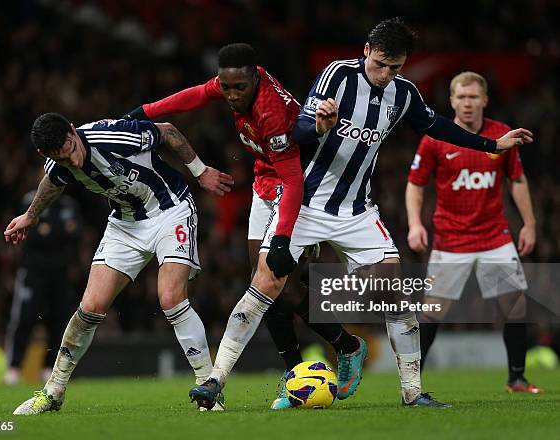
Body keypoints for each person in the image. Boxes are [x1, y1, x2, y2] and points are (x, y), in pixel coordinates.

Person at [189, 17, 533, 410]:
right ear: (367, 50)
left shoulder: (402, 93)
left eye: (395, 67)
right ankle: (215, 381)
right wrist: (318, 126)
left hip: (356, 211)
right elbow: (297, 132)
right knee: (266, 283)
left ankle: (412, 392)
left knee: (395, 294)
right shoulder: (337, 75)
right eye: (381, 64)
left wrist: (490, 143)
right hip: (306, 203)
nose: (386, 74)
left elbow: (435, 125)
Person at [123, 43, 364, 410]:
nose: (231, 95)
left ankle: (343, 349)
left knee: (271, 285)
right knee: (268, 286)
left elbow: (295, 179)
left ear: (255, 78)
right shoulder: (232, 82)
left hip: (299, 186)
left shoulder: (271, 113)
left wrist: (282, 238)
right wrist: (142, 114)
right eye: (226, 87)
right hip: (263, 182)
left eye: (239, 88)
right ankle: (305, 370)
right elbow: (192, 97)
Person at [6, 113, 234, 415]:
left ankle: (208, 387)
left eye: (72, 149)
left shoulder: (112, 138)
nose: (72, 161)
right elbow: (52, 183)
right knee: (90, 307)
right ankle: (53, 392)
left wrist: (200, 170)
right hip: (125, 225)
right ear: (45, 154)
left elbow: (166, 131)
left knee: (170, 298)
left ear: (73, 131)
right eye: (62, 158)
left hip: (169, 210)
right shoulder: (59, 164)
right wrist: (31, 216)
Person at [406, 71, 541, 393]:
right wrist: (414, 224)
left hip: (494, 235)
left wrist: (530, 223)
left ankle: (517, 378)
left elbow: (517, 179)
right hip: (451, 239)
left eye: (473, 97)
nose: (467, 103)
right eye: (461, 97)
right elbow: (415, 184)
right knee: (433, 309)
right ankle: (412, 381)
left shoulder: (501, 134)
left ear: (484, 100)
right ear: (451, 101)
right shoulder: (435, 137)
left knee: (515, 304)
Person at [4, 186, 82, 385]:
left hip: (60, 273)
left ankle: (50, 367)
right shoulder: (30, 201)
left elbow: (77, 233)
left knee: (58, 320)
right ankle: (14, 367)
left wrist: (49, 231)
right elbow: (31, 235)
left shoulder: (69, 204)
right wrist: (59, 231)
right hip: (33, 272)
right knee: (25, 317)